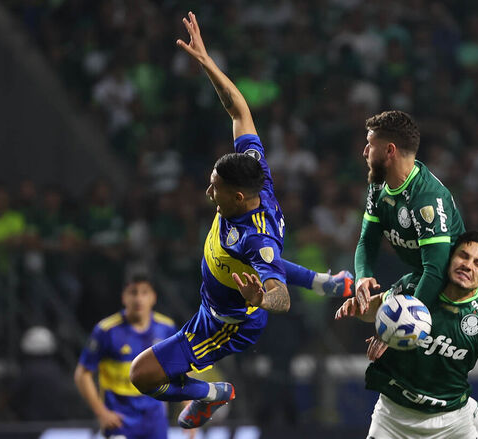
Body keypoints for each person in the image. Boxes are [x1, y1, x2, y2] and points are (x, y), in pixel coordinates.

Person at [128, 11, 349, 430]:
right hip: (226, 289)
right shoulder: (253, 169)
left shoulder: (255, 240)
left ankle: (214, 394)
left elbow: (280, 297)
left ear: (239, 197)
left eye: (215, 188)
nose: (208, 193)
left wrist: (259, 299)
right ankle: (325, 282)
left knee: (143, 376)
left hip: (228, 321)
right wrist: (207, 63)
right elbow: (239, 111)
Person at [336, 231, 478, 439]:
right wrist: (359, 309)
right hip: (393, 418)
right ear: (449, 258)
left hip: (452, 423)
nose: (467, 265)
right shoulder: (416, 285)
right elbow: (378, 309)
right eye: (463, 256)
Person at [354, 111, 478, 313]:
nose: (364, 151)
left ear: (389, 150)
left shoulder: (426, 198)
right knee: (365, 312)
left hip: (462, 292)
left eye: (370, 144)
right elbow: (368, 239)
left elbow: (436, 269)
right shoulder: (378, 186)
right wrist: (363, 275)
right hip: (427, 280)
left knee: (396, 332)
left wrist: (407, 318)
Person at [75, 275, 185, 439]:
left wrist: (188, 406)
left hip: (155, 420)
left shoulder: (166, 328)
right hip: (120, 421)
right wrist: (102, 413)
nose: (138, 299)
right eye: (133, 293)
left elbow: (180, 367)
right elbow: (82, 374)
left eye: (144, 293)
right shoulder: (106, 330)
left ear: (153, 297)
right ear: (124, 297)